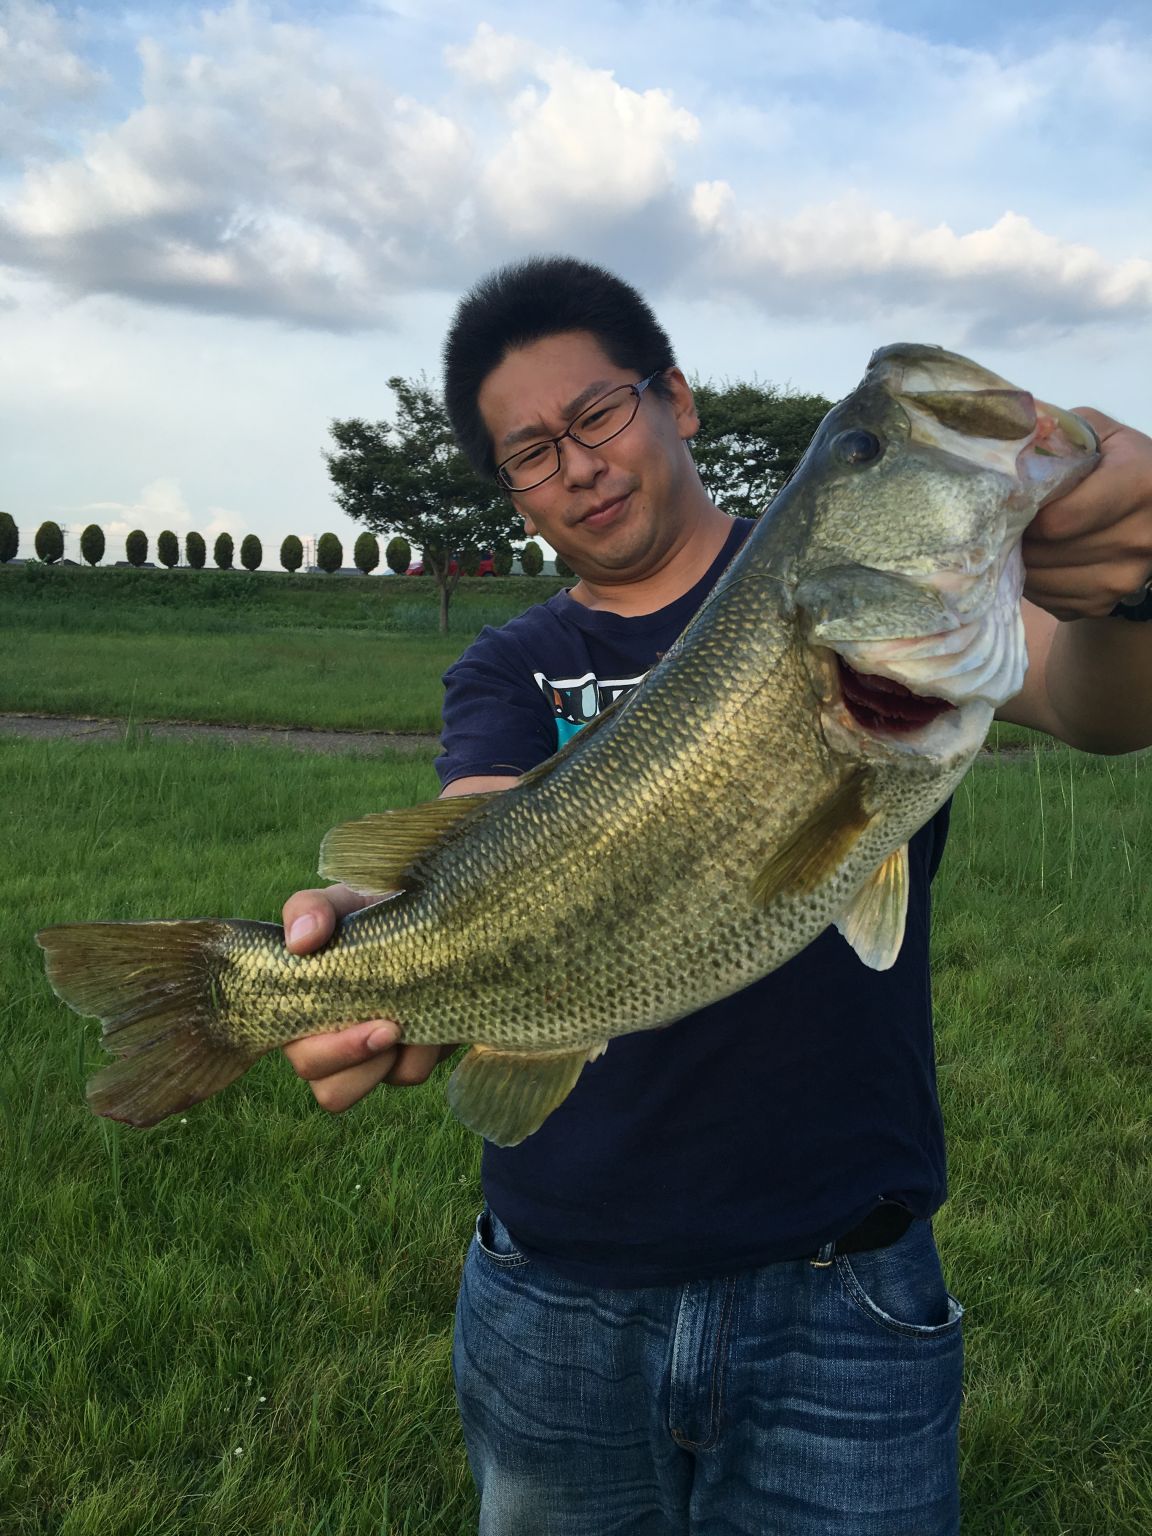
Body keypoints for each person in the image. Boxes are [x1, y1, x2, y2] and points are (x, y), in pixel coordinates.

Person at [281, 258, 1152, 1535]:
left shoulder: (862, 598)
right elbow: (478, 821)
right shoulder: (513, 660)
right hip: (555, 1293)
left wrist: (1134, 592)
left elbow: (1095, 706)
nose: (576, 465)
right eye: (529, 452)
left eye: (598, 415)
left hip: (845, 1286)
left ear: (677, 400)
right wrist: (372, 937)